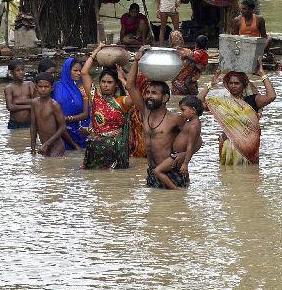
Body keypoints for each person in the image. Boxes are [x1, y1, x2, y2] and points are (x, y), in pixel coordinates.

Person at [126, 46, 189, 188]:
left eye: (154, 93)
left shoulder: (175, 119)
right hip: (152, 172)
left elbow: (197, 140)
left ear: (165, 97)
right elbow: (130, 86)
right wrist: (136, 60)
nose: (148, 96)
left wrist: (184, 155)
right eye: (147, 92)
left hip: (171, 172)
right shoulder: (145, 112)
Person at [198, 60, 276, 165]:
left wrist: (262, 74)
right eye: (230, 83)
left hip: (249, 147)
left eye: (237, 83)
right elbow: (197, 103)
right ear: (227, 84)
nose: (233, 86)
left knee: (248, 176)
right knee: (228, 176)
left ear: (244, 85)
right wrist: (211, 84)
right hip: (228, 145)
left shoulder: (253, 100)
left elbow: (271, 96)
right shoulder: (222, 102)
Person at [81, 44, 133, 169]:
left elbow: (135, 97)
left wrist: (122, 78)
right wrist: (96, 51)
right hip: (95, 149)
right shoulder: (95, 98)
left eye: (109, 82)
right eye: (103, 82)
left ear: (116, 85)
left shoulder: (122, 102)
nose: (105, 85)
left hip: (115, 150)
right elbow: (84, 72)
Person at [152, 95, 203, 189]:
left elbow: (191, 145)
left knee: (157, 171)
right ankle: (183, 188)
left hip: (176, 156)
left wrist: (185, 164)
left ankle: (176, 190)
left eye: (183, 110)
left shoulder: (194, 126)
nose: (181, 113)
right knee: (183, 177)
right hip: (176, 154)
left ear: (193, 110)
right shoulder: (191, 121)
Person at [52, 57, 90, 151]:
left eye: (80, 71)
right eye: (75, 70)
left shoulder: (82, 88)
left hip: (79, 131)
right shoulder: (56, 87)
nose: (78, 73)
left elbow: (86, 114)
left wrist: (68, 118)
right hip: (61, 130)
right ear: (67, 70)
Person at [30, 73, 66, 157]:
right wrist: (33, 148)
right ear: (36, 87)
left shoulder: (54, 105)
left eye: (46, 87)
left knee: (53, 168)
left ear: (52, 88)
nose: (43, 89)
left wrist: (47, 144)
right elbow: (33, 126)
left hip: (56, 146)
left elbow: (63, 127)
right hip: (44, 147)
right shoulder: (34, 103)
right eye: (40, 86)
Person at [5, 59, 34, 129]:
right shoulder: (9, 88)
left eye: (22, 70)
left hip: (29, 122)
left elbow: (36, 101)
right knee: (15, 139)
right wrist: (29, 107)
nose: (21, 72)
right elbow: (10, 107)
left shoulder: (30, 84)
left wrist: (17, 102)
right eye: (18, 70)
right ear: (11, 72)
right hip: (14, 123)